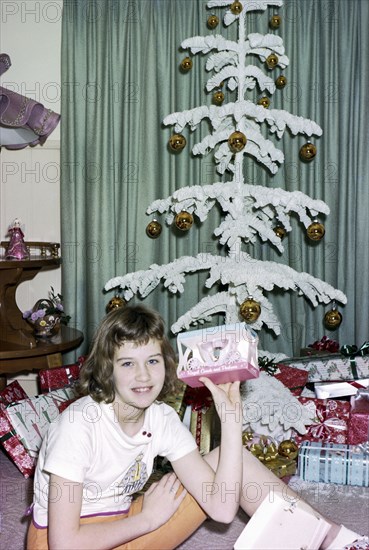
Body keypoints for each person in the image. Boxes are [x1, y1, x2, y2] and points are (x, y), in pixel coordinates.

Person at [27, 305, 366, 550]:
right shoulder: (77, 427)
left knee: (234, 460)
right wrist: (147, 519)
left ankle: (337, 540)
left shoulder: (160, 417)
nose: (143, 376)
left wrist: (231, 421)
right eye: (128, 363)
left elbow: (220, 509)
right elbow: (64, 542)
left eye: (153, 361)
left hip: (121, 522)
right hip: (70, 540)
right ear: (106, 369)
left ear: (167, 365)